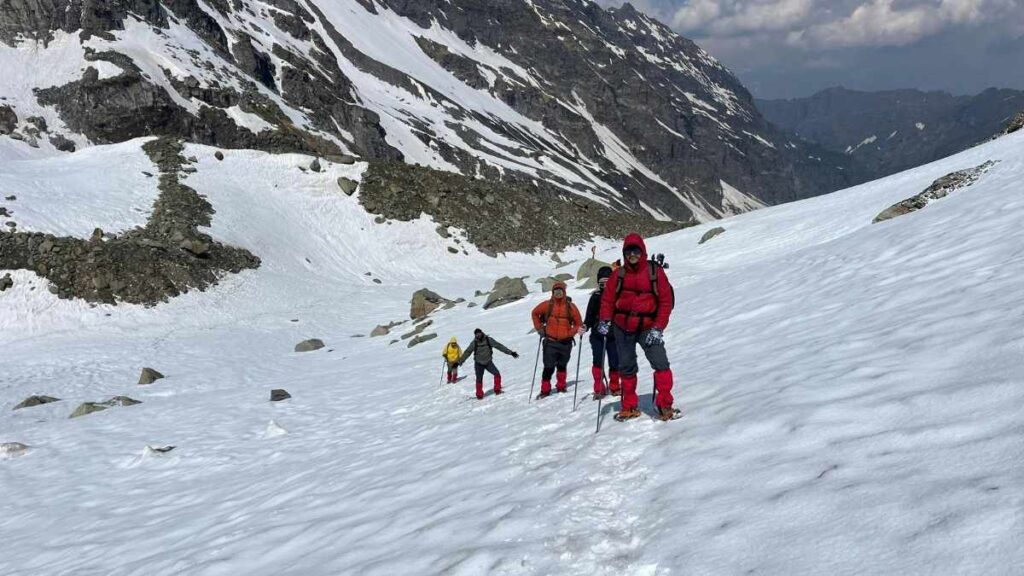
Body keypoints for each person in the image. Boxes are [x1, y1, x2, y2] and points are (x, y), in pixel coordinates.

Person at [597, 233, 676, 421]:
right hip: (622, 327)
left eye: (636, 251)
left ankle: (665, 404)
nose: (633, 255)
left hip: (649, 327)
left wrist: (658, 327)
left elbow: (665, 301)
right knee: (626, 367)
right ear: (624, 254)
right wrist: (605, 320)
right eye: (629, 251)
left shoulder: (655, 272)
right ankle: (629, 406)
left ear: (643, 252)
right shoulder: (618, 275)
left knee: (661, 363)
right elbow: (607, 300)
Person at [531, 280, 583, 399]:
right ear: (552, 292)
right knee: (548, 367)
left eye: (560, 291)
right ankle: (545, 390)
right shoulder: (547, 305)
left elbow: (578, 323)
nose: (558, 293)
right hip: (550, 342)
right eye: (556, 291)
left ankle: (561, 386)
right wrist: (539, 328)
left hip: (566, 343)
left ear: (564, 292)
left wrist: (570, 333)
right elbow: (534, 313)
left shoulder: (571, 307)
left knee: (562, 365)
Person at [584, 266, 620, 400]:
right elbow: (589, 316)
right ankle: (599, 389)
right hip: (597, 335)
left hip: (614, 335)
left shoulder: (618, 296)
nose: (605, 285)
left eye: (608, 282)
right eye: (601, 283)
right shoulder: (595, 297)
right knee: (598, 361)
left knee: (615, 361)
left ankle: (615, 386)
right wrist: (585, 326)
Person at [458, 328, 519, 400]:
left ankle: (497, 389)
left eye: (479, 333)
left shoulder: (488, 340)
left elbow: (499, 346)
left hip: (488, 362)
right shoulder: (474, 343)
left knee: (497, 374)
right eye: (476, 334)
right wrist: (460, 362)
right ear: (475, 335)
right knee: (479, 379)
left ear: (481, 333)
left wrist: (511, 353)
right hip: (478, 364)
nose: (478, 335)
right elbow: (467, 352)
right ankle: (479, 395)